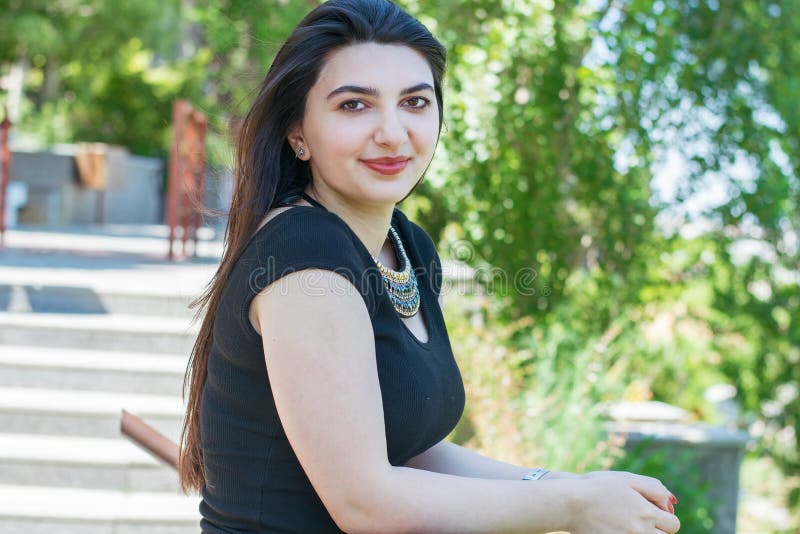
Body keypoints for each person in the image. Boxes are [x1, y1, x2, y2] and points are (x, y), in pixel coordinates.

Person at [178, 0, 681, 532]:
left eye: (415, 102)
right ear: (297, 133)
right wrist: (573, 508)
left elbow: (413, 451)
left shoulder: (405, 244)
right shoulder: (305, 255)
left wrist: (567, 486)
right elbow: (364, 502)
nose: (393, 133)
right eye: (355, 106)